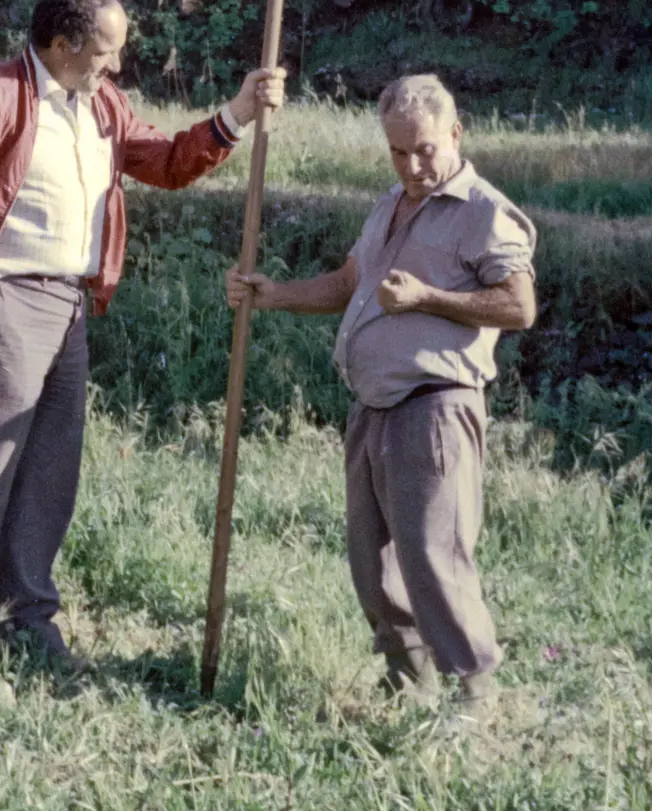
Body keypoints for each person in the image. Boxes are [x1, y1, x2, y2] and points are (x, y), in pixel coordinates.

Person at [0, 0, 284, 685]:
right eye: (106, 50)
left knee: (48, 473)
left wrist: (236, 114)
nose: (117, 64)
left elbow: (164, 161)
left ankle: (26, 619)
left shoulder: (101, 104)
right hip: (2, 300)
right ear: (65, 42)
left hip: (71, 305)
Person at [227, 73, 535, 713]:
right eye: (398, 151)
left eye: (424, 149)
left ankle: (473, 696)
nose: (413, 164)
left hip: (436, 406)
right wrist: (273, 294)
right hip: (374, 407)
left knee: (433, 557)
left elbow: (518, 305)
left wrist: (427, 297)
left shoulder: (483, 211)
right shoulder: (388, 203)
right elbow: (349, 282)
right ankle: (407, 682)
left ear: (455, 133)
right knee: (375, 562)